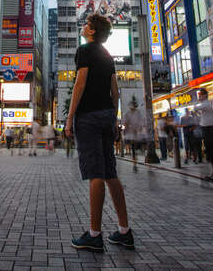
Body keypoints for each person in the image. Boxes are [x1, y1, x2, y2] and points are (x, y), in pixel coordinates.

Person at [66, 13, 133, 252]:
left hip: (89, 116)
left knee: (95, 173)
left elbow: (80, 84)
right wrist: (114, 118)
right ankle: (124, 231)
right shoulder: (107, 55)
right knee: (110, 173)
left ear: (92, 31)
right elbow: (115, 91)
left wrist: (70, 116)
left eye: (86, 24)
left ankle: (94, 235)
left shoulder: (85, 51)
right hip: (106, 116)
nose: (83, 27)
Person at [195, 89, 213, 181]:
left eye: (200, 95)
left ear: (204, 95)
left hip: (210, 130)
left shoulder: (207, 104)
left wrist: (199, 102)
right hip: (208, 129)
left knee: (212, 152)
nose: (199, 97)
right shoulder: (209, 104)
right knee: (211, 153)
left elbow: (195, 108)